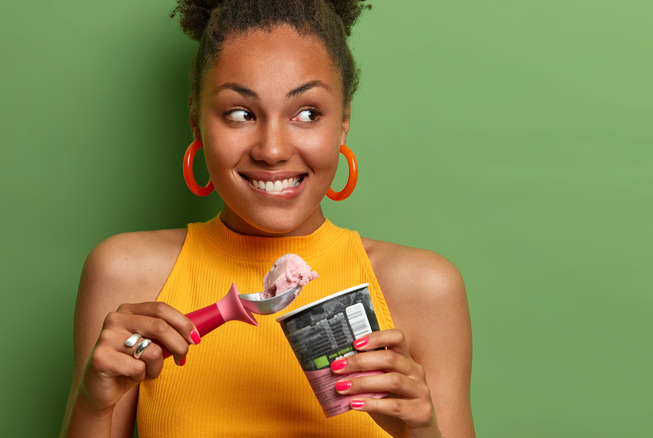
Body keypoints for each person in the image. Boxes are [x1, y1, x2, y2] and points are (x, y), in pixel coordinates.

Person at [59, 1, 474, 437]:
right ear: (196, 121)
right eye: (240, 113)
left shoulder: (425, 289)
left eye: (308, 113)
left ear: (344, 121)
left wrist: (421, 430)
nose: (272, 150)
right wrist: (94, 400)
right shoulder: (127, 275)